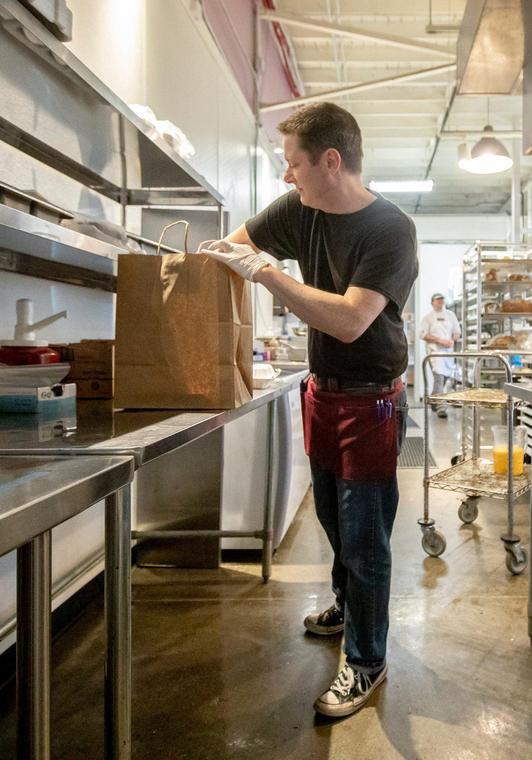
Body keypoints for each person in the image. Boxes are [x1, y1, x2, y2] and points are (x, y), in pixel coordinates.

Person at [197, 102, 418, 719]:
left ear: (330, 161)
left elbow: (350, 320)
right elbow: (230, 248)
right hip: (321, 391)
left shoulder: (390, 229)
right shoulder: (300, 210)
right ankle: (348, 609)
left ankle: (367, 661)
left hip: (372, 398)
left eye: (293, 164)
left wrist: (266, 274)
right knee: (330, 516)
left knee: (365, 536)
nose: (286, 177)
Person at [419, 292, 460, 418]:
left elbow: (457, 332)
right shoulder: (428, 317)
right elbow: (423, 335)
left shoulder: (450, 315)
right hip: (434, 352)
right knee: (439, 378)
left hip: (448, 352)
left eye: (442, 299)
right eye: (438, 300)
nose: (440, 301)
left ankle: (434, 400)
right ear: (432, 302)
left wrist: (452, 340)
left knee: (445, 377)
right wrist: (439, 340)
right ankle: (442, 408)